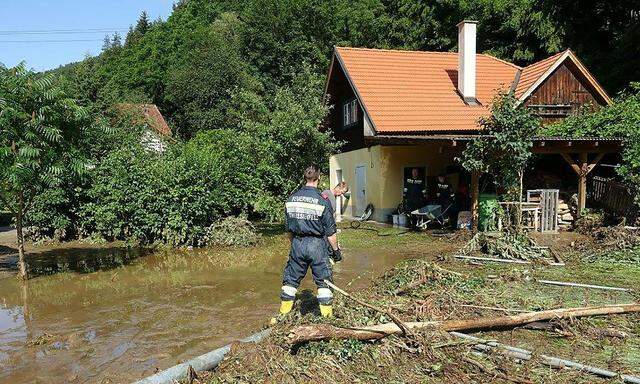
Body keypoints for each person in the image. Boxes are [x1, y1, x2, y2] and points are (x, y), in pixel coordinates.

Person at [278, 165, 342, 318]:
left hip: (297, 243)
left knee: (290, 281)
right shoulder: (322, 201)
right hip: (317, 246)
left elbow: (288, 230)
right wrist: (336, 252)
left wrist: (295, 245)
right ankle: (327, 319)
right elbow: (331, 233)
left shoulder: (291, 199)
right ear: (318, 178)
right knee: (324, 282)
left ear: (304, 178)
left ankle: (282, 316)